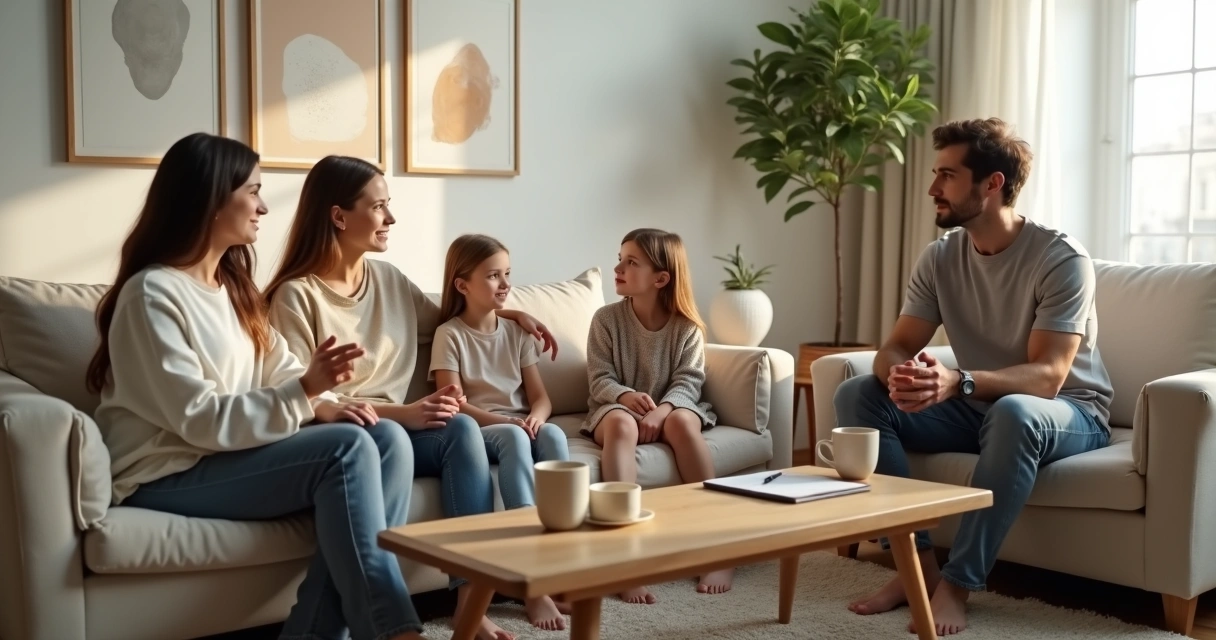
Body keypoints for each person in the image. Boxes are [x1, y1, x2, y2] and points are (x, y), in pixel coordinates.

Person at [87, 133, 430, 640]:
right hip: (167, 469)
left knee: (386, 439)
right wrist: (305, 393)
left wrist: (322, 399)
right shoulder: (152, 295)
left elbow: (281, 368)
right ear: (211, 199)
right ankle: (394, 630)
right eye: (253, 191)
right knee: (346, 449)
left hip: (229, 455)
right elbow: (200, 419)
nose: (264, 207)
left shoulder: (232, 289)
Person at [833, 118, 1113, 636]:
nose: (933, 189)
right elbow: (896, 345)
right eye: (935, 174)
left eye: (948, 175)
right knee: (860, 393)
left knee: (1015, 411)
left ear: (992, 184)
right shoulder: (940, 256)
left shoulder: (1061, 259)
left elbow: (1049, 377)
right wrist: (904, 376)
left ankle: (958, 584)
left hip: (1070, 413)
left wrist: (957, 381)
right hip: (979, 408)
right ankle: (917, 569)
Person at [264, 155, 560, 636]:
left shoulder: (390, 281)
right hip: (350, 435)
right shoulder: (297, 297)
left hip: (406, 428)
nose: (392, 218)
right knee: (415, 433)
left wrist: (513, 315)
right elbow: (305, 398)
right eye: (379, 206)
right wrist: (404, 413)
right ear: (339, 216)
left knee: (461, 427)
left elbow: (458, 314)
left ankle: (470, 599)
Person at [429, 233, 572, 629]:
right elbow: (455, 403)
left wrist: (537, 418)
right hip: (482, 429)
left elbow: (541, 398)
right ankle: (530, 581)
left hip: (519, 424)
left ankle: (559, 565)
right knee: (513, 436)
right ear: (462, 285)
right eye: (493, 276)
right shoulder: (450, 335)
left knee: (555, 435)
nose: (505, 283)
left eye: (507, 273)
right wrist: (505, 422)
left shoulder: (516, 333)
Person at [582, 228, 732, 603]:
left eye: (631, 262)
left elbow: (689, 381)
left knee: (682, 421)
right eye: (620, 258)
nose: (618, 268)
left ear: (661, 278)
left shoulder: (687, 327)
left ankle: (718, 547)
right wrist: (626, 395)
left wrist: (663, 410)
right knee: (621, 424)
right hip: (615, 408)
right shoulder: (605, 320)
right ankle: (625, 556)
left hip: (673, 406)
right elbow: (600, 378)